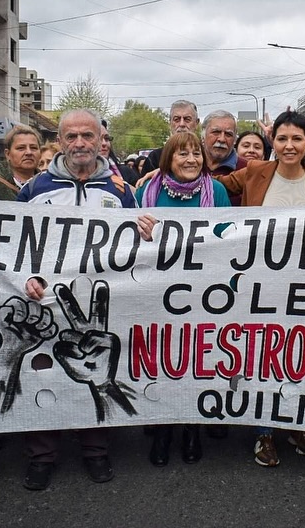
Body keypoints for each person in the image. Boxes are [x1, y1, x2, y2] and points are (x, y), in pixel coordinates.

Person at [17, 108, 136, 491]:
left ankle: (96, 450)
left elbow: (139, 248)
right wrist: (25, 278)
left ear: (101, 138)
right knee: (43, 373)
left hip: (101, 304)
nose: (80, 143)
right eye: (71, 137)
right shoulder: (34, 189)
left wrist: (146, 229)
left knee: (95, 367)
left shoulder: (121, 191)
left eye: (88, 135)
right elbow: (11, 243)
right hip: (47, 302)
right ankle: (41, 456)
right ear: (60, 141)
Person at [215, 110, 305, 465]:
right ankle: (263, 432)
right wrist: (158, 174)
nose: (289, 146)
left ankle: (296, 422)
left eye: (296, 139)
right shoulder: (254, 173)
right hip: (258, 284)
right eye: (282, 139)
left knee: (300, 354)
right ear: (272, 142)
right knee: (261, 355)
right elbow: (211, 185)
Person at [135, 131, 231, 466]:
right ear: (168, 160)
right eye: (182, 154)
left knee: (193, 361)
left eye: (196, 154)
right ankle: (162, 429)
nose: (191, 160)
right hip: (156, 292)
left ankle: (191, 427)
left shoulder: (215, 191)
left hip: (200, 294)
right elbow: (125, 243)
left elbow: (227, 239)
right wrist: (141, 232)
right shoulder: (146, 192)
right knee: (160, 361)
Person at [140, 100, 199, 176]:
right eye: (176, 119)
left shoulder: (204, 155)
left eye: (187, 119)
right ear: (170, 123)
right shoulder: (155, 158)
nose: (181, 124)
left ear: (196, 123)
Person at [0, 125, 42, 200]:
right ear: (8, 154)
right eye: (21, 148)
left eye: (33, 148)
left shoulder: (49, 184)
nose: (29, 152)